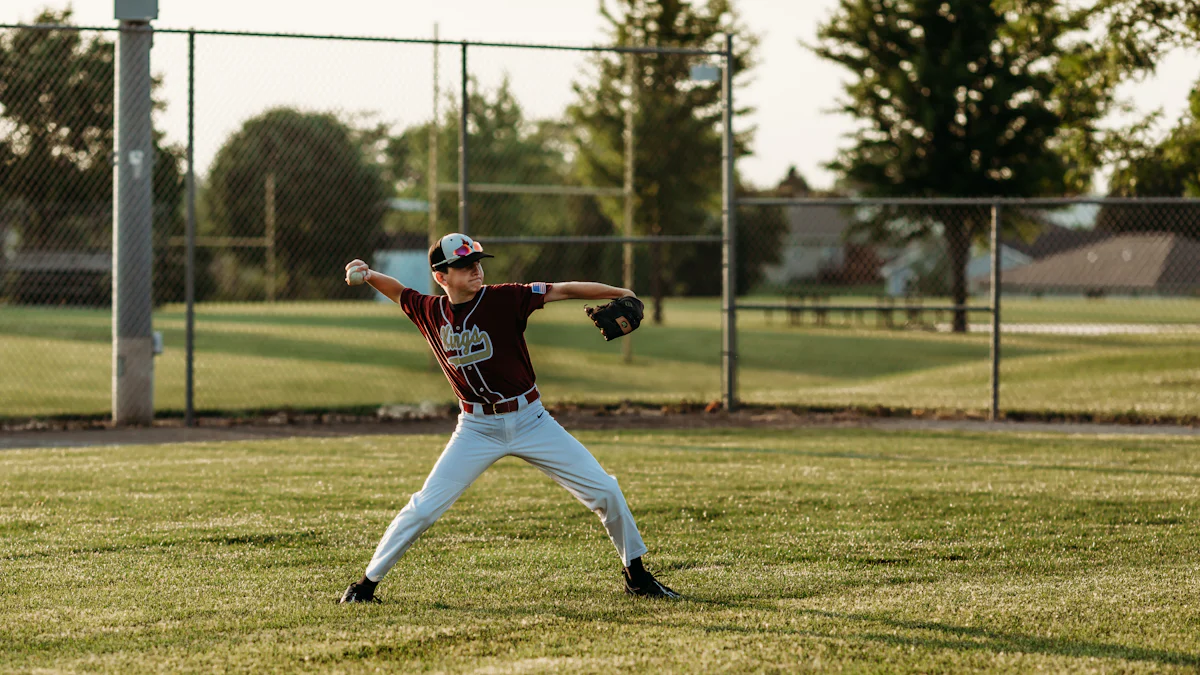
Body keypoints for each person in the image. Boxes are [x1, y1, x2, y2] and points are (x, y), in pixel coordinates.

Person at [338, 233, 679, 603]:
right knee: (423, 508)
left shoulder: (505, 298)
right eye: (463, 266)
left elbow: (563, 289)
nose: (475, 270)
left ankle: (637, 577)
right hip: (475, 429)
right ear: (441, 277)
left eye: (477, 263)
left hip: (531, 420)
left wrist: (620, 291)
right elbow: (398, 291)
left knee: (606, 491)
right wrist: (369, 274)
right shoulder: (429, 310)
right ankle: (364, 587)